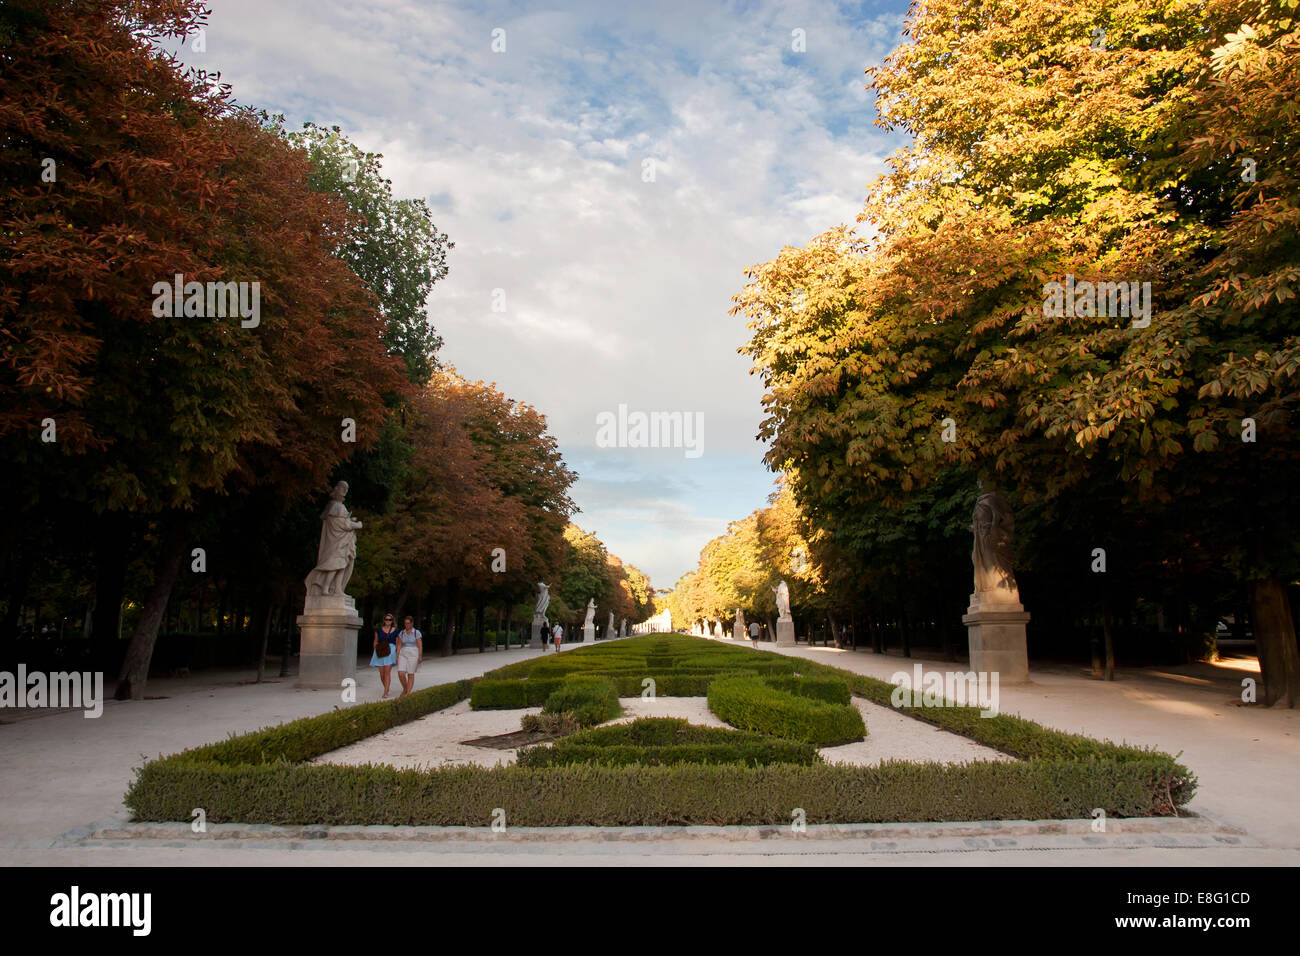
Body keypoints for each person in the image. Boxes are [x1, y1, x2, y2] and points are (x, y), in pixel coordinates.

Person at [371, 612, 399, 698]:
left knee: (387, 672)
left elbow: (398, 643)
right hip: (380, 651)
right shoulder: (378, 630)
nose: (388, 621)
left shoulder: (396, 630)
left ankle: (385, 692)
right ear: (384, 620)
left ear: (392, 621)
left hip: (390, 652)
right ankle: (387, 688)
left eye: (389, 620)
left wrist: (397, 654)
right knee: (382, 673)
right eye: (386, 619)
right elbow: (375, 640)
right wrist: (375, 649)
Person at [395, 615, 422, 697]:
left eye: (408, 623)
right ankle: (405, 688)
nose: (407, 625)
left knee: (410, 673)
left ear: (412, 623)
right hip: (403, 653)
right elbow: (399, 644)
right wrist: (397, 655)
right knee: (401, 673)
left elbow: (420, 645)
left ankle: (407, 694)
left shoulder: (416, 632)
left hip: (413, 653)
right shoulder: (402, 633)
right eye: (405, 623)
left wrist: (420, 655)